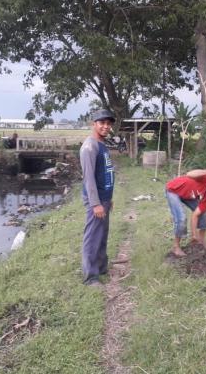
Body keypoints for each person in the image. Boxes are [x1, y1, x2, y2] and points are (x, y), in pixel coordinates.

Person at [80, 109, 116, 286]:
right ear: (93, 124)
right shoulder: (90, 146)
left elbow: (105, 173)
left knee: (102, 234)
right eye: (102, 123)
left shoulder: (102, 144)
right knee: (93, 236)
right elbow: (89, 178)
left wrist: (108, 199)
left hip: (104, 198)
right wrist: (95, 204)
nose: (106, 126)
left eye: (108, 123)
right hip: (96, 201)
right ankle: (90, 277)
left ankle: (101, 267)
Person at [165, 164, 206, 257]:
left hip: (187, 195)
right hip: (174, 190)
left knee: (204, 214)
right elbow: (190, 174)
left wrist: (194, 235)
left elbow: (195, 214)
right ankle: (176, 247)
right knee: (181, 218)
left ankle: (200, 240)